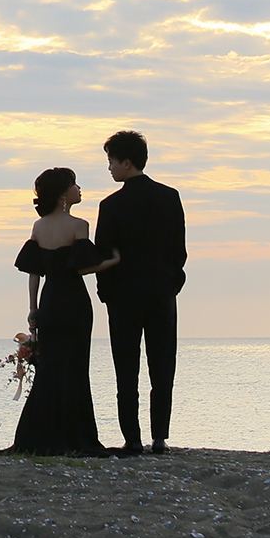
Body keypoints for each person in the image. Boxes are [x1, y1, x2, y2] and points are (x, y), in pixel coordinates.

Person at [8, 166, 120, 457]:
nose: (79, 189)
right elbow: (83, 267)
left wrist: (32, 309)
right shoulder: (79, 225)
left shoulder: (39, 227)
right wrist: (112, 262)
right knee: (75, 369)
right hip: (74, 302)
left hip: (49, 302)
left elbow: (34, 272)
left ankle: (40, 435)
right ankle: (75, 435)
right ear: (62, 195)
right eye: (74, 185)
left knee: (50, 370)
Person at [93, 130, 186, 455]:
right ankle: (159, 437)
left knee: (126, 369)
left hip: (123, 297)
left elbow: (104, 254)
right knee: (163, 367)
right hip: (162, 294)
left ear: (126, 162)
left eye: (111, 161)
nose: (109, 168)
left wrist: (106, 293)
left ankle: (132, 439)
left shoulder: (111, 205)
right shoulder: (170, 196)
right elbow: (179, 251)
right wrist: (172, 283)